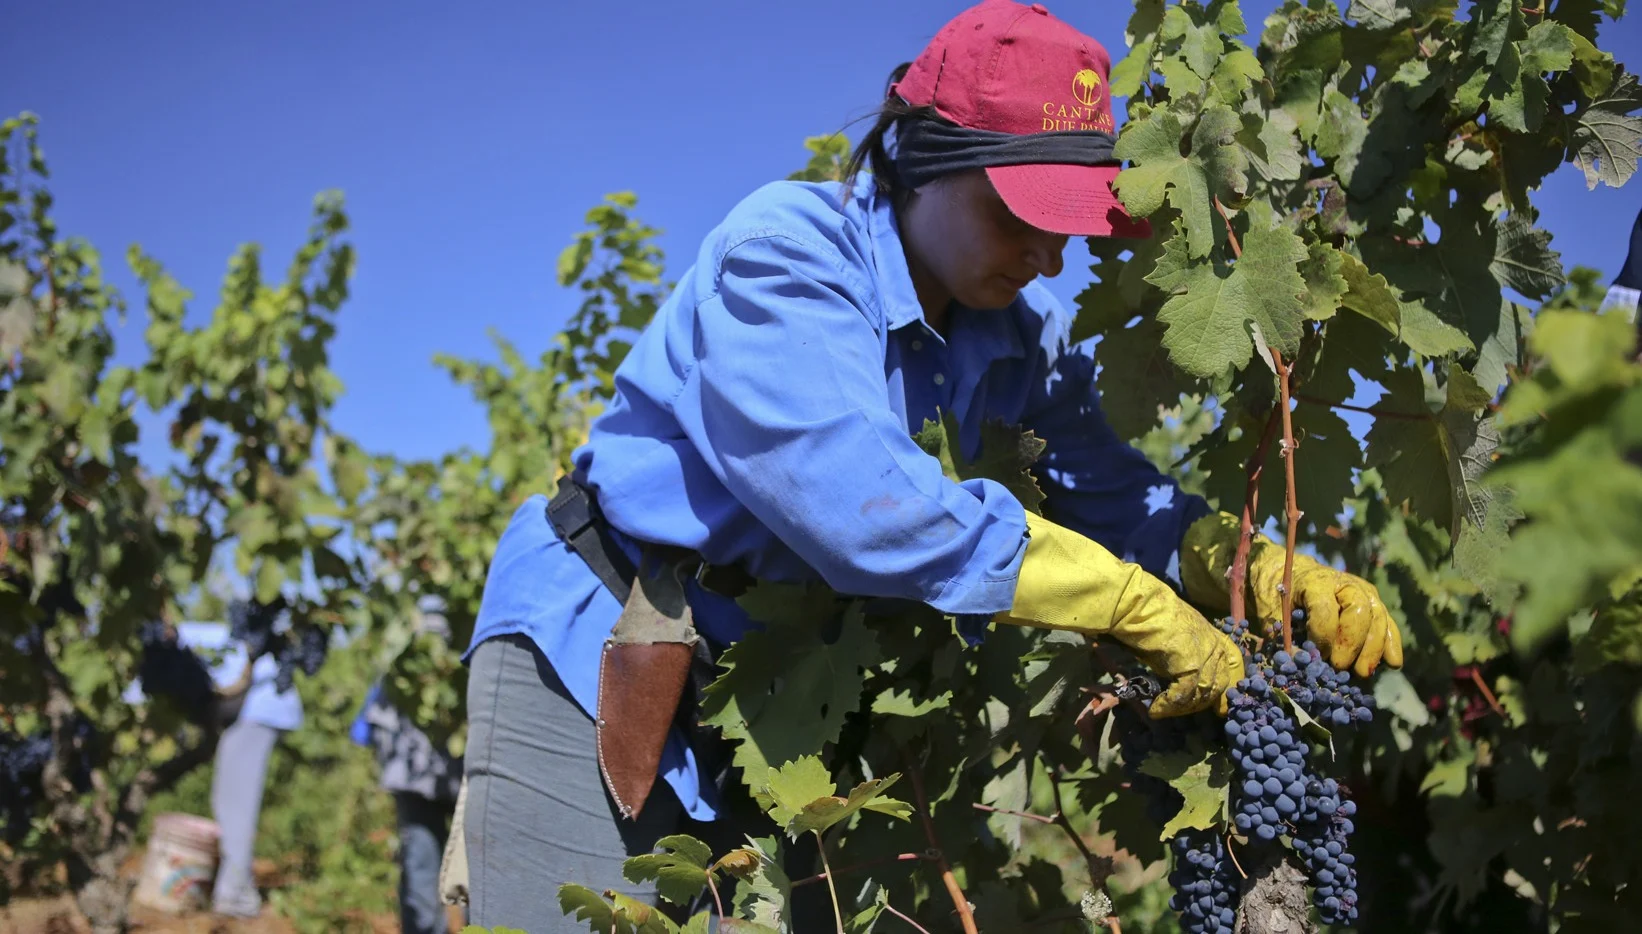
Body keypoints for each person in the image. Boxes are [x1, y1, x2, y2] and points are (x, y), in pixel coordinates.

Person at [459, 1, 1404, 929]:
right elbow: (864, 505)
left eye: (1066, 225)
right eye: (1018, 215)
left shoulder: (1014, 341)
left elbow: (1119, 498)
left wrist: (1257, 562)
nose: (1046, 254)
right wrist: (1128, 602)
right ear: (923, 161)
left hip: (773, 697)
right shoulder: (785, 257)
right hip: (596, 648)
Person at [350, 596, 465, 934]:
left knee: (421, 865)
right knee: (473, 867)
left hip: (414, 777)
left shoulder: (401, 652)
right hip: (459, 776)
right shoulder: (467, 642)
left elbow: (364, 729)